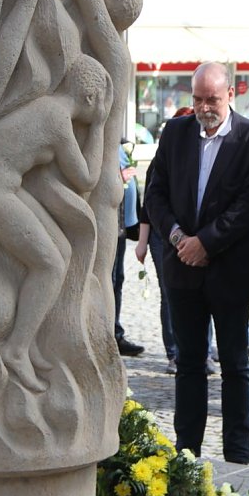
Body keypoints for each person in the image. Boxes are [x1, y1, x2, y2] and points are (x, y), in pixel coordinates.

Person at [144, 62, 249, 464]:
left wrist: (207, 243)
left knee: (236, 364)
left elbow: (247, 208)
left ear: (231, 95)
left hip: (229, 271)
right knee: (189, 362)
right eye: (197, 99)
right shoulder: (176, 133)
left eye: (212, 99)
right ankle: (186, 452)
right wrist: (181, 239)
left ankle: (238, 454)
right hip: (182, 268)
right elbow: (155, 192)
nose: (204, 107)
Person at [0, 54, 113, 393]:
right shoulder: (57, 119)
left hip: (0, 186)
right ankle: (15, 350)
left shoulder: (47, 107)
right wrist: (99, 126)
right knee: (50, 266)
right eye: (102, 101)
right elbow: (86, 178)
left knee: (62, 250)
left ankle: (26, 346)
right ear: (90, 98)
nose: (102, 107)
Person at [135, 106, 194, 374]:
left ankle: (196, 350)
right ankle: (174, 352)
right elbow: (149, 205)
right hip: (162, 237)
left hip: (194, 237)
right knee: (169, 295)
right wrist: (142, 243)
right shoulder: (162, 161)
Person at [112, 139, 145, 357]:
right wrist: (119, 179)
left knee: (118, 279)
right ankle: (110, 334)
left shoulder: (118, 144)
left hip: (122, 226)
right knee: (110, 279)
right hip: (109, 225)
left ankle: (115, 332)